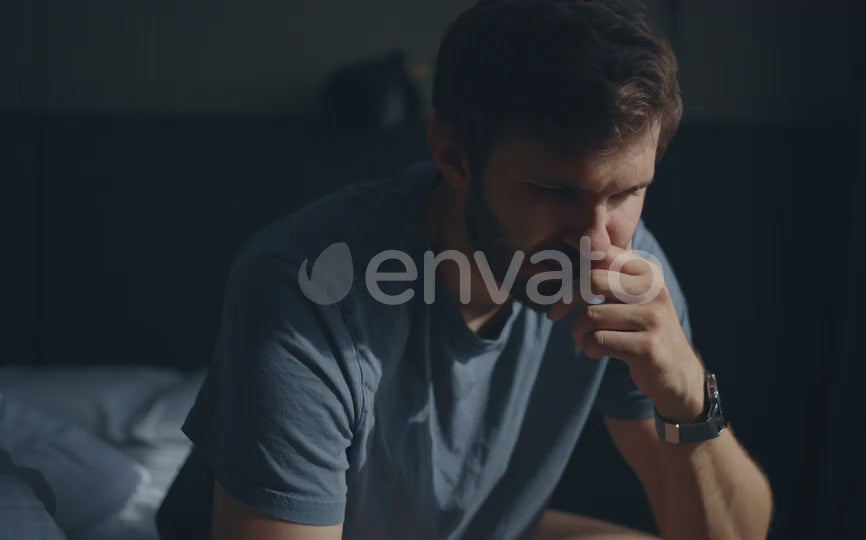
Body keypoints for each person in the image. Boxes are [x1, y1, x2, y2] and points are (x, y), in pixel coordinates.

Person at [157, 1, 773, 538]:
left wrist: (687, 396)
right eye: (552, 190)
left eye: (626, 194)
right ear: (453, 155)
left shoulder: (627, 263)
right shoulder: (310, 291)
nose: (593, 240)